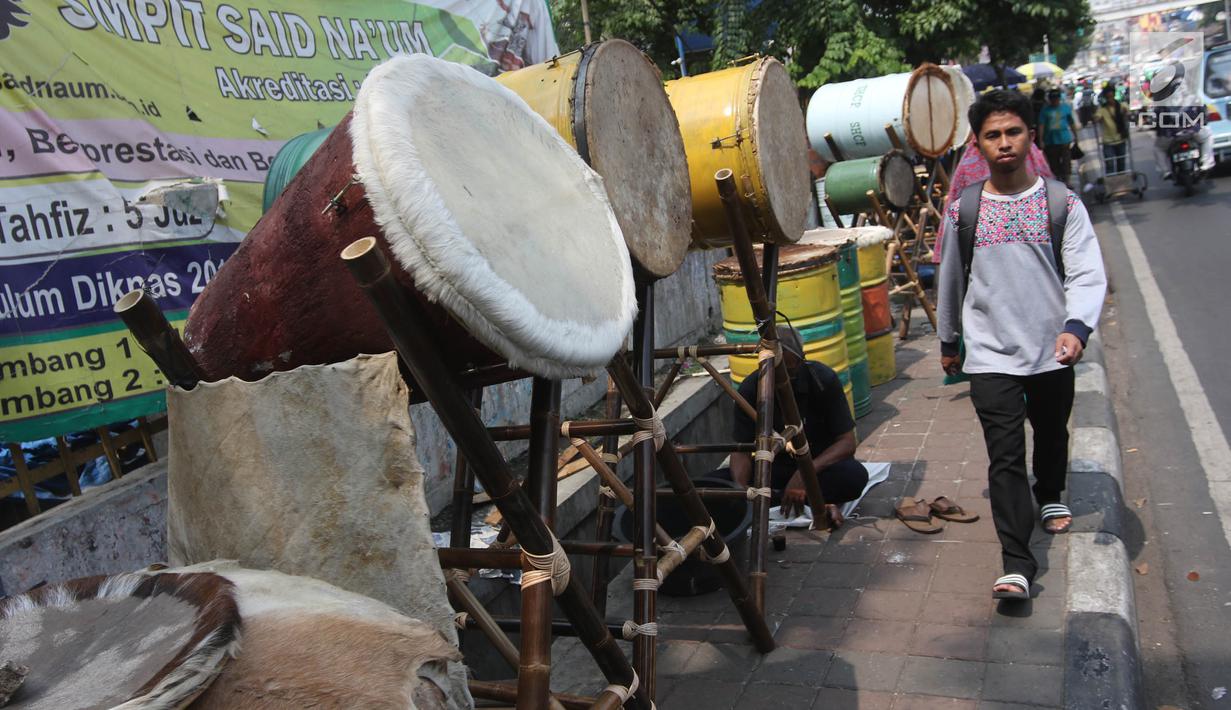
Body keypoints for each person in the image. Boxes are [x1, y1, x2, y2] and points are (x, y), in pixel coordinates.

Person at [936, 90, 1107, 600]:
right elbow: (949, 280)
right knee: (1004, 455)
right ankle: (1016, 563)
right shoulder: (965, 209)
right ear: (978, 144)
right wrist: (949, 341)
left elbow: (1086, 273)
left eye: (1013, 132)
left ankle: (1050, 493)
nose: (1004, 143)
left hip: (1052, 349)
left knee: (1052, 431)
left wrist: (1076, 329)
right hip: (989, 353)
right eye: (993, 135)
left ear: (1030, 135)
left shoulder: (1062, 203)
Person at [727, 325, 868, 527]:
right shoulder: (751, 388)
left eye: (789, 371)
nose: (783, 378)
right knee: (718, 484)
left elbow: (847, 443)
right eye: (776, 372)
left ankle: (793, 499)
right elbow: (740, 449)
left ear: (802, 358)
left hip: (819, 466)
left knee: (854, 477)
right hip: (775, 468)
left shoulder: (823, 380)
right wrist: (741, 492)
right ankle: (809, 501)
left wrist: (804, 475)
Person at [1038, 89, 1079, 183]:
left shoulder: (1065, 108)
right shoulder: (1045, 111)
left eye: (1056, 98)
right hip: (1050, 140)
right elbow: (1041, 125)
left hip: (1064, 139)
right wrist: (1041, 140)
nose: (1055, 101)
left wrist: (1075, 136)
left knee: (1066, 161)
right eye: (1053, 99)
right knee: (1053, 162)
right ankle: (1058, 179)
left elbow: (1071, 122)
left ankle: (1067, 181)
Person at [1094, 85, 1129, 174]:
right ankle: (1111, 184)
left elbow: (1128, 112)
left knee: (1121, 163)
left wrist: (1126, 113)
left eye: (1111, 96)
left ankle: (1122, 182)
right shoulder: (1102, 110)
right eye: (1108, 97)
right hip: (1108, 141)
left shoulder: (1121, 106)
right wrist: (1097, 119)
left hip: (1120, 139)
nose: (1110, 99)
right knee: (1109, 164)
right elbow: (1097, 117)